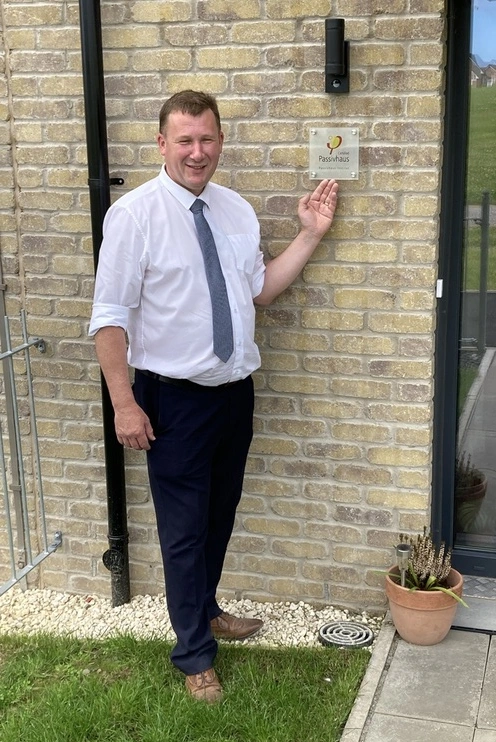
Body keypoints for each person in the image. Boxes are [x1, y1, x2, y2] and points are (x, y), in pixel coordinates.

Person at [89, 90, 338, 703]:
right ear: (162, 145)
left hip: (233, 394)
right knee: (182, 530)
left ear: (220, 140)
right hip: (170, 399)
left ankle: (206, 609)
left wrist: (309, 236)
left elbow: (261, 293)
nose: (197, 152)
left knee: (218, 515)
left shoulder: (236, 211)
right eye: (184, 140)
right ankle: (194, 653)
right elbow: (110, 318)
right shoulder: (134, 216)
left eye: (207, 139)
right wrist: (124, 402)